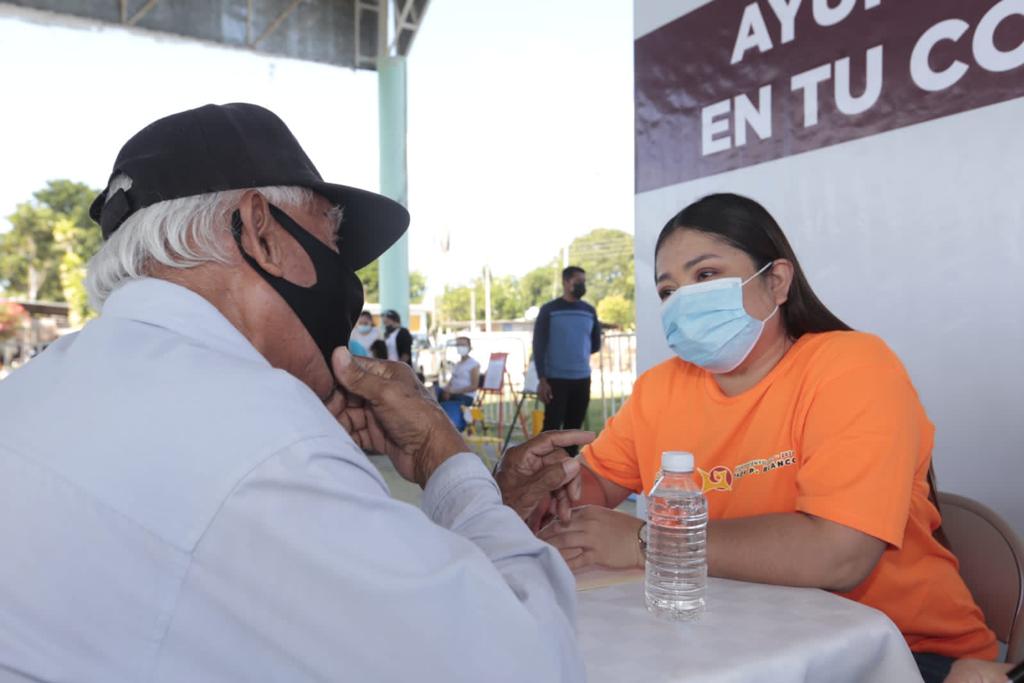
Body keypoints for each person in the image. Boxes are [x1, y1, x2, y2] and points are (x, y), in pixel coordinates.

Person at [0, 103, 589, 682]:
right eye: (332, 241)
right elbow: (529, 662)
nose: (345, 277)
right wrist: (445, 458)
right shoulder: (260, 438)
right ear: (260, 231)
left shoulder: (33, 391)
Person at [535, 194, 1011, 683]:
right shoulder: (661, 388)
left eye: (705, 276)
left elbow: (839, 553)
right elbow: (586, 488)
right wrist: (537, 487)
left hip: (900, 651)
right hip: (735, 637)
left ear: (776, 281)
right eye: (667, 290)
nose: (683, 301)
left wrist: (646, 541)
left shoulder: (851, 367)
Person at [532, 265, 602, 442]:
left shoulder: (589, 311)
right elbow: (538, 345)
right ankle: (544, 467)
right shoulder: (549, 310)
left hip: (582, 379)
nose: (582, 285)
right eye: (578, 281)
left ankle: (569, 465)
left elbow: (595, 344)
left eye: (584, 282)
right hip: (555, 380)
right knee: (551, 429)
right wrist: (542, 379)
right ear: (565, 282)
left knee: (574, 429)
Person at [435, 336, 481, 430]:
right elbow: (451, 382)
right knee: (432, 390)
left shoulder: (473, 364)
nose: (460, 347)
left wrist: (453, 392)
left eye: (463, 345)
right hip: (452, 394)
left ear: (469, 346)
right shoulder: (457, 365)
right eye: (458, 345)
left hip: (464, 396)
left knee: (449, 409)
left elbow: (473, 386)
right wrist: (446, 390)